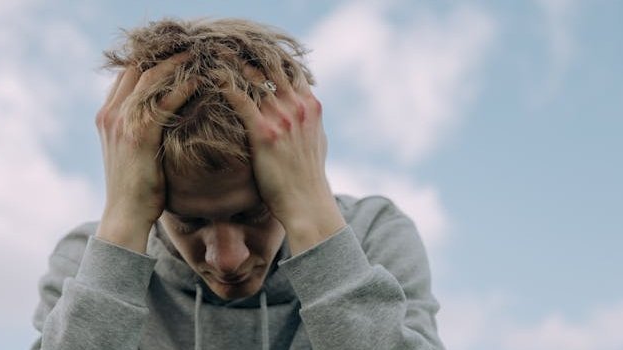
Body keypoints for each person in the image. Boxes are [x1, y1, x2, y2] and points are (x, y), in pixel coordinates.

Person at [31, 17, 444, 350]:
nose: (226, 260)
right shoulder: (90, 267)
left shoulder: (374, 236)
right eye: (189, 223)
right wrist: (122, 222)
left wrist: (314, 220)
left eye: (255, 213)